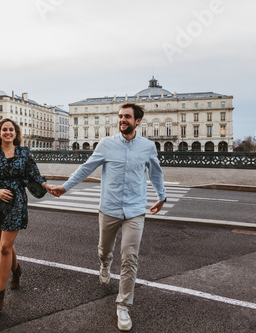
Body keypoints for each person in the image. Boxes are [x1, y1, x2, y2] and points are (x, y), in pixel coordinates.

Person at [50, 103, 167, 331]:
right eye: (120, 116)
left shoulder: (147, 147)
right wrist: (65, 187)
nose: (122, 120)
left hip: (135, 211)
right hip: (109, 209)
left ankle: (123, 305)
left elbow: (156, 173)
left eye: (127, 117)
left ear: (138, 121)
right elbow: (86, 168)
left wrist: (162, 196)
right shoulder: (106, 144)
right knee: (105, 251)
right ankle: (104, 265)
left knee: (130, 257)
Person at [0, 118, 53, 311]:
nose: (8, 132)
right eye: (5, 130)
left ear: (16, 133)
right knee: (6, 243)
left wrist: (46, 185)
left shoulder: (23, 153)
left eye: (11, 130)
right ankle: (16, 270)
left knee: (4, 248)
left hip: (17, 201)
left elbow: (33, 175)